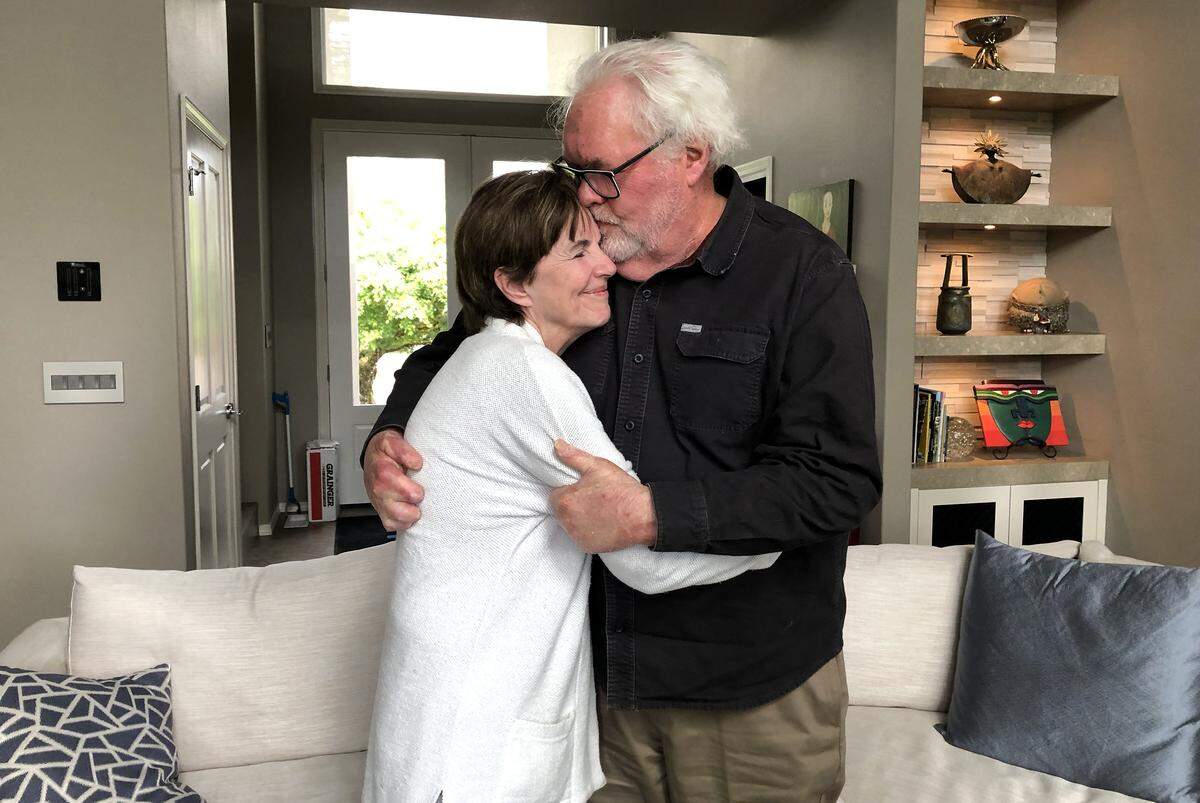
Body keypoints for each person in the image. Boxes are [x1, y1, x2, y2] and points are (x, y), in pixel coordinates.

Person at [362, 39, 882, 801]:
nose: (587, 194)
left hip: (752, 689)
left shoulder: (803, 274)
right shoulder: (577, 261)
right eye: (575, 169)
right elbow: (459, 349)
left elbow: (837, 481)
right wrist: (389, 437)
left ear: (690, 156)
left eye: (603, 170)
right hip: (600, 683)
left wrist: (649, 513)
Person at [361, 169, 778, 802]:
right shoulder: (524, 377)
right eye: (577, 252)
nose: (605, 265)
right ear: (513, 284)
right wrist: (776, 538)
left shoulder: (487, 358)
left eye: (597, 244)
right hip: (480, 728)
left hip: (453, 701)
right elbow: (640, 556)